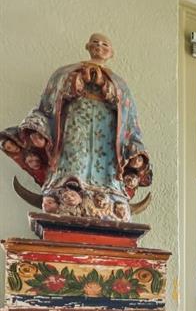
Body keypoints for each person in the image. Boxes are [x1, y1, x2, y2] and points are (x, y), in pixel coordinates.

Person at [1, 33, 152, 221]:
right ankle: (67, 193)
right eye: (95, 43)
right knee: (73, 157)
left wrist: (107, 87)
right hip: (75, 126)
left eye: (104, 44)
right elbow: (49, 103)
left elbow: (128, 114)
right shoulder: (65, 73)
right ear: (88, 46)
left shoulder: (119, 83)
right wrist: (74, 84)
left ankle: (107, 198)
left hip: (105, 133)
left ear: (111, 53)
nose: (99, 46)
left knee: (106, 167)